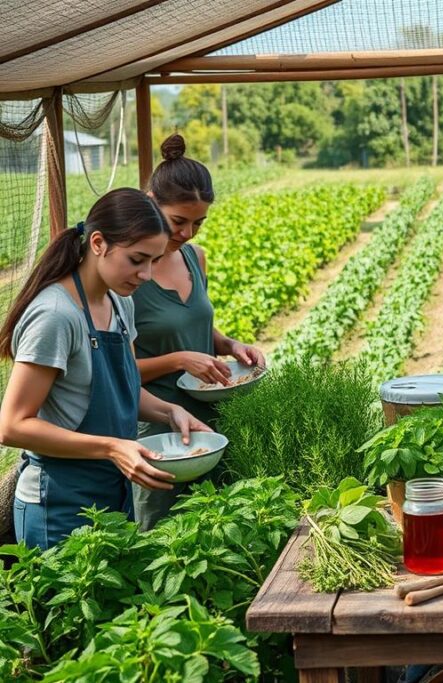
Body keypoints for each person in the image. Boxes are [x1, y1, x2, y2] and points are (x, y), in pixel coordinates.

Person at [0, 188, 210, 550]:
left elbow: (123, 389)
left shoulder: (119, 303)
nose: (145, 274)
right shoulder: (55, 315)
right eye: (137, 259)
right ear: (98, 243)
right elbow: (13, 426)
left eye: (153, 261)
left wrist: (171, 411)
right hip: (58, 504)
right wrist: (113, 447)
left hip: (111, 495)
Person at [131, 134, 264, 530]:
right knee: (164, 531)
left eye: (198, 223)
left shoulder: (194, 257)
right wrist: (179, 360)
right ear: (151, 201)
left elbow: (196, 324)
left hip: (210, 413)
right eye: (179, 222)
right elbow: (115, 370)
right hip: (159, 424)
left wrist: (230, 344)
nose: (188, 233)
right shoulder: (130, 271)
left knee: (217, 526)